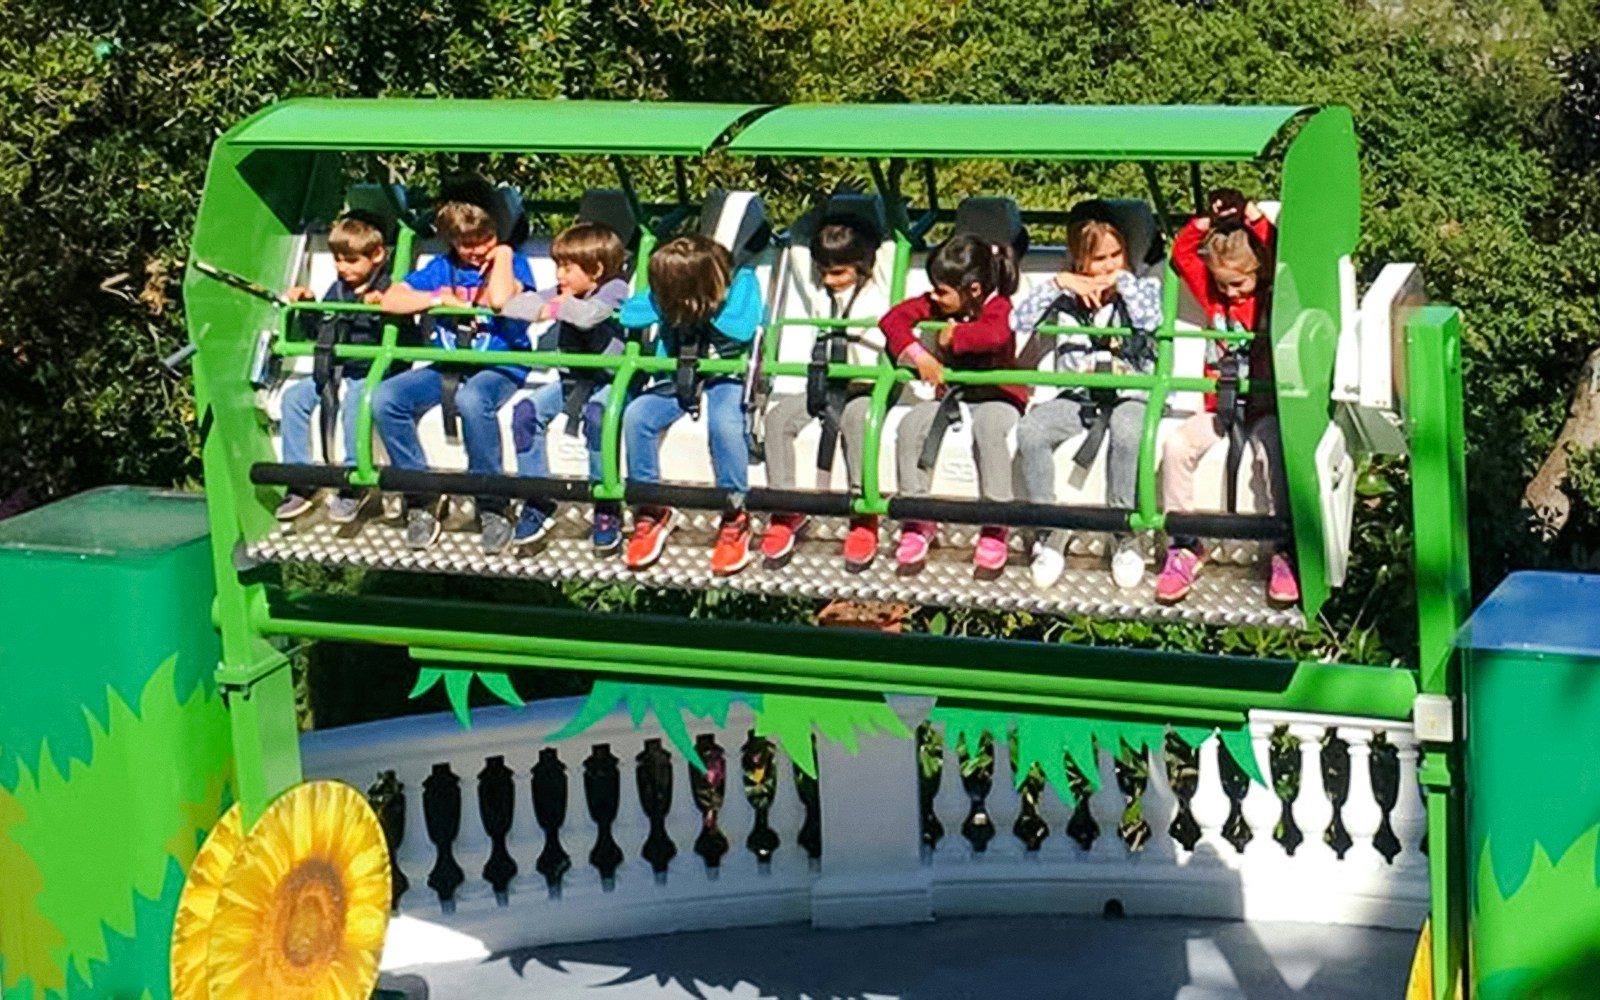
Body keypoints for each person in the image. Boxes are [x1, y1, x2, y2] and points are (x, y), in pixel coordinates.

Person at [1157, 188, 1298, 605]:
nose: (1232, 293)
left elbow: (1279, 249)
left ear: (1258, 271)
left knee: (1270, 449)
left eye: (1238, 283)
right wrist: (1207, 222)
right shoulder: (1215, 296)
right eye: (1224, 284)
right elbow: (1183, 254)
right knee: (1178, 445)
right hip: (1220, 405)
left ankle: (1283, 546)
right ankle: (1185, 544)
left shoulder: (1270, 297)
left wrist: (1251, 216)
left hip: (1264, 404)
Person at [1013, 202, 1162, 590]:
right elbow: (1019, 321)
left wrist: (1121, 283)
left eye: (1116, 255)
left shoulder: (1141, 288)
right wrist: (1060, 284)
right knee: (1031, 431)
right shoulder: (1067, 296)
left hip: (1130, 392)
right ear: (1080, 260)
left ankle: (1124, 533)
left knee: (1130, 434)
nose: (1109, 265)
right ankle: (1051, 532)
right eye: (1099, 259)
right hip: (1080, 396)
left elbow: (1150, 319)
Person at [374, 194, 534, 553]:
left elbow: (499, 301)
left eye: (485, 241)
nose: (477, 251)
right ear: (451, 240)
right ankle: (421, 494)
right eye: (467, 244)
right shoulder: (442, 268)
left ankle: (492, 504)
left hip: (500, 363)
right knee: (387, 398)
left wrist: (503, 254)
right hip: (449, 363)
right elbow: (391, 300)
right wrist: (437, 299)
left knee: (473, 398)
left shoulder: (514, 264)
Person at [619, 234, 763, 574]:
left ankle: (734, 511)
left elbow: (743, 328)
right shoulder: (669, 300)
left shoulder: (742, 283)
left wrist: (706, 305)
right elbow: (628, 314)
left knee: (724, 424)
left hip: (726, 375)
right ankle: (651, 507)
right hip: (679, 374)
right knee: (636, 415)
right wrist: (668, 303)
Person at [881, 233, 1025, 572]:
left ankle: (995, 521)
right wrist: (920, 356)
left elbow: (995, 335)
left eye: (941, 291)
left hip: (996, 395)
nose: (934, 297)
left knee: (990, 430)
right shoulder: (940, 302)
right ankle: (917, 519)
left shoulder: (998, 305)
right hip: (954, 394)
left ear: (973, 289)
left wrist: (955, 337)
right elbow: (892, 320)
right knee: (911, 425)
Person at [758, 213, 888, 569]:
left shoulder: (878, 287)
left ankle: (863, 512)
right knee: (778, 419)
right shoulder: (818, 292)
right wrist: (826, 207)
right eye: (824, 272)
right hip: (827, 382)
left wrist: (877, 205)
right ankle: (785, 509)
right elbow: (799, 243)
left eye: (839, 273)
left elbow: (893, 243)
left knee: (857, 420)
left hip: (866, 383)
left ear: (861, 267)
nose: (829, 281)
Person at [499, 222, 631, 552]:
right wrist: (546, 305)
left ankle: (606, 501)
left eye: (567, 268)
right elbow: (512, 306)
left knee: (600, 416)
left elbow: (589, 316)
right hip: (572, 379)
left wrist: (555, 307)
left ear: (596, 270)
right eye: (558, 266)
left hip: (609, 380)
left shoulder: (614, 289)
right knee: (525, 413)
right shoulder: (565, 292)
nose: (559, 276)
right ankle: (538, 498)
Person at [276, 212, 395, 523]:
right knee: (294, 398)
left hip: (368, 370)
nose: (343, 268)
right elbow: (323, 331)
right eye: (338, 260)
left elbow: (405, 334)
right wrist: (308, 307)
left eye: (351, 260)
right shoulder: (338, 288)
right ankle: (300, 479)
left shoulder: (389, 289)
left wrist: (384, 310)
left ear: (377, 255)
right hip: (335, 368)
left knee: (357, 402)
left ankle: (353, 480)